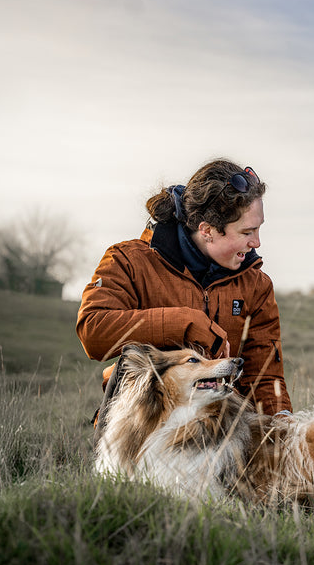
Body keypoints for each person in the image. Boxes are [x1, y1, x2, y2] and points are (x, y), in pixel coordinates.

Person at [77, 158, 291, 417]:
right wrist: (186, 322)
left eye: (258, 229)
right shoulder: (128, 260)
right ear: (207, 230)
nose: (256, 242)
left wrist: (282, 426)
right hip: (143, 423)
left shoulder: (257, 285)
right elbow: (93, 330)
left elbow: (265, 377)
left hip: (224, 429)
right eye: (247, 232)